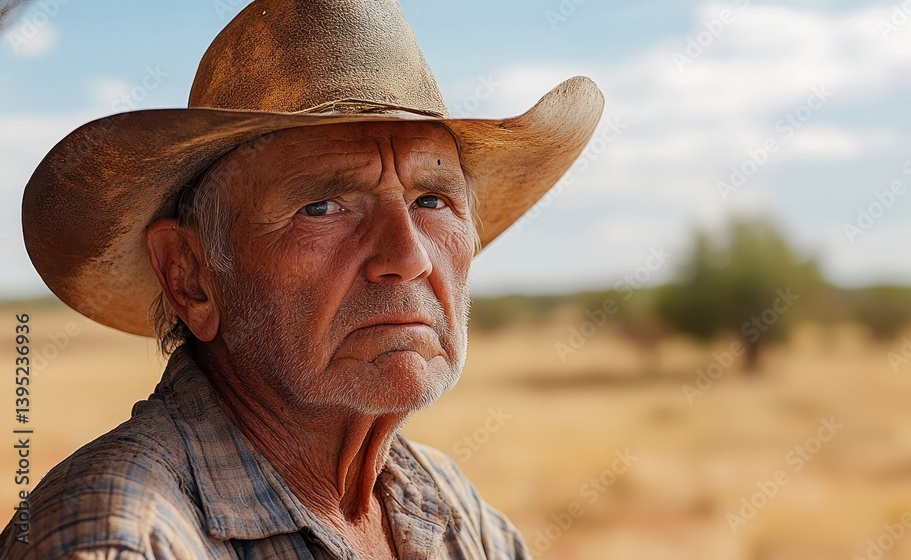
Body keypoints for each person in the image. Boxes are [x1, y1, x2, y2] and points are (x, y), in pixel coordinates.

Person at [0, 0, 603, 558]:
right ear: (190, 278)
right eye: (323, 207)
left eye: (432, 200)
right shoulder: (123, 538)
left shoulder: (446, 505)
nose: (407, 256)